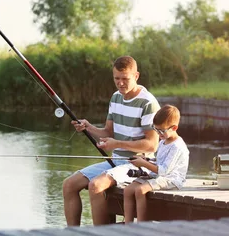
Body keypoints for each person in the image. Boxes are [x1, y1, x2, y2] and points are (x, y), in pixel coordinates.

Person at [62, 55, 161, 226]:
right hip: (115, 161)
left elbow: (152, 144)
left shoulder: (148, 103)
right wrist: (88, 127)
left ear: (136, 76)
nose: (120, 83)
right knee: (69, 185)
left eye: (125, 79)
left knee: (95, 186)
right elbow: (108, 131)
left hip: (138, 164)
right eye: (117, 79)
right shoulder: (116, 97)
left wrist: (117, 144)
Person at [122, 104, 189, 223]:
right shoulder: (164, 141)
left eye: (161, 130)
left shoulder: (177, 146)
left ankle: (141, 226)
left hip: (172, 179)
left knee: (140, 190)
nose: (158, 133)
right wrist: (146, 159)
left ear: (174, 128)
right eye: (156, 129)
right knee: (127, 190)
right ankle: (129, 226)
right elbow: (159, 161)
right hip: (160, 176)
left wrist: (143, 163)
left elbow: (164, 170)